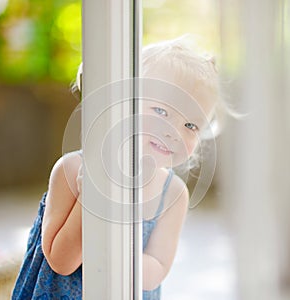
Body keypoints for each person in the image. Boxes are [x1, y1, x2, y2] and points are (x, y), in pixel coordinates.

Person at [12, 35, 225, 299]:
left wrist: (115, 238)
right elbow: (61, 261)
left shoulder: (172, 194)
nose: (173, 132)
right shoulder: (71, 168)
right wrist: (93, 196)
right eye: (161, 111)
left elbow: (154, 273)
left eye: (191, 125)